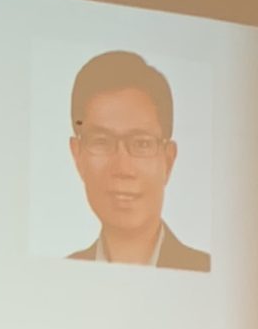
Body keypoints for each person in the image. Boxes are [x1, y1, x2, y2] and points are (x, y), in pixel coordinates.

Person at [64, 50, 209, 269]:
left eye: (141, 143)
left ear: (168, 160)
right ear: (77, 155)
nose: (123, 168)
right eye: (102, 141)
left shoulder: (204, 269)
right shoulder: (59, 274)